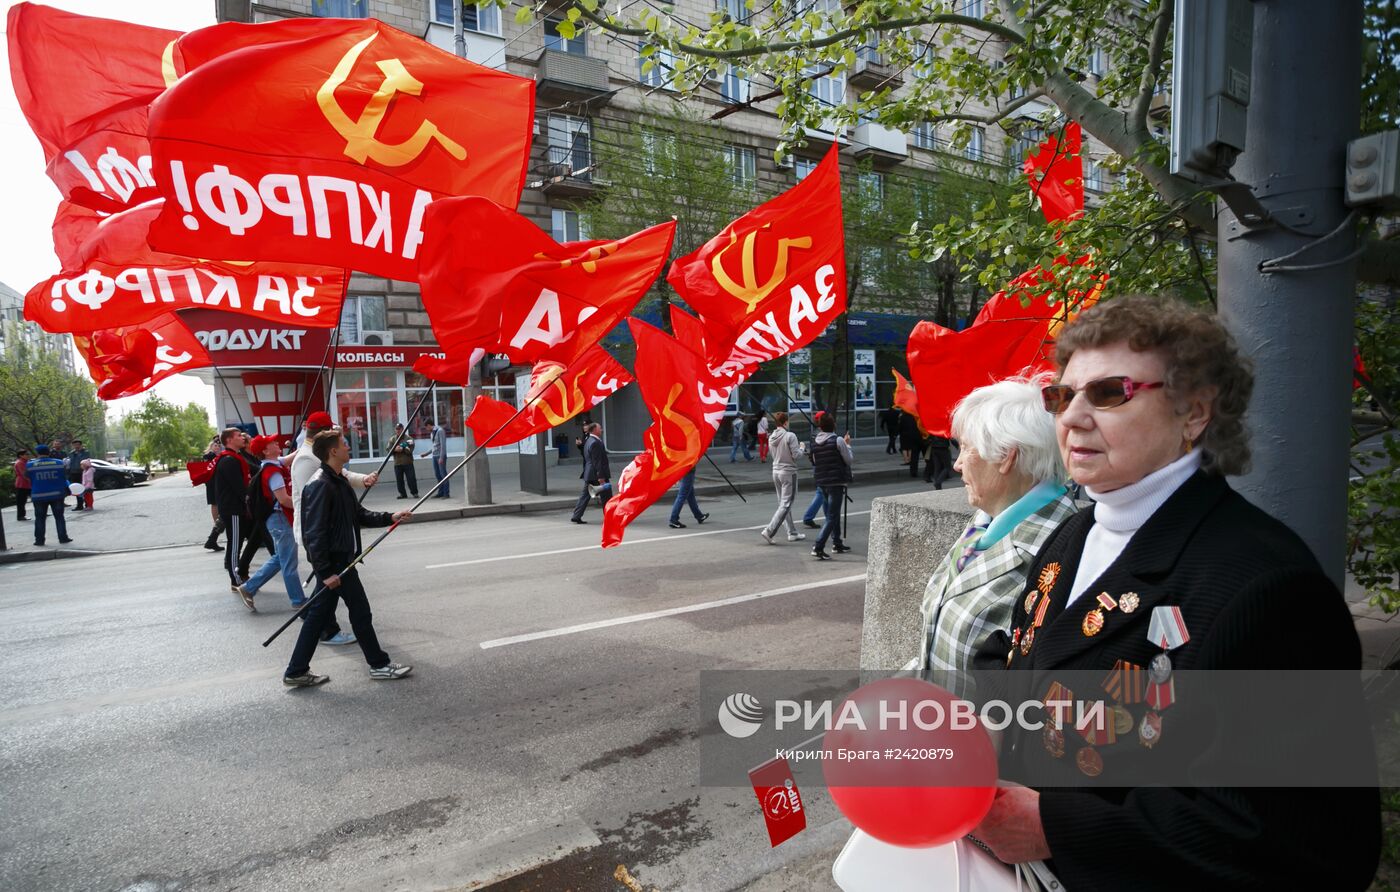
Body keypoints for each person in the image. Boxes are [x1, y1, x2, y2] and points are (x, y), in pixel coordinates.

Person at [969, 295, 1380, 887]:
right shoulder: (1075, 532)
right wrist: (974, 719)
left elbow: (1306, 841)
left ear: (1194, 412)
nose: (1072, 418)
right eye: (1061, 395)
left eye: (1109, 393)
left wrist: (1056, 827)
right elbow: (1033, 656)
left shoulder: (1264, 585)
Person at [916, 377, 1075, 694]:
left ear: (1006, 457)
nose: (958, 464)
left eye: (966, 448)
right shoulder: (987, 520)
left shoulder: (1060, 550)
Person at [282, 430, 413, 687]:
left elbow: (359, 514)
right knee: (360, 613)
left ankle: (296, 670)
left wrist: (391, 517)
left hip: (341, 562)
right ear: (332, 451)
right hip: (336, 565)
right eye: (343, 444)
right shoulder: (320, 484)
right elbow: (314, 533)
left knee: (318, 618)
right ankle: (379, 664)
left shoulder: (338, 480)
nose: (348, 448)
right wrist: (325, 571)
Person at [291, 411, 377, 647]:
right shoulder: (308, 462)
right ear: (324, 438)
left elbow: (341, 475)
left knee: (324, 597)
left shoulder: (320, 459)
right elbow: (317, 512)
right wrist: (324, 566)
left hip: (330, 537)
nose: (343, 441)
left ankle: (302, 657)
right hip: (322, 537)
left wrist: (363, 480)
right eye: (337, 437)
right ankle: (328, 632)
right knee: (338, 597)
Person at [236, 435, 306, 611]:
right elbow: (283, 499)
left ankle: (248, 588)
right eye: (273, 443)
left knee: (280, 558)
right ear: (266, 451)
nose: (277, 443)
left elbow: (292, 457)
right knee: (289, 563)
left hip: (275, 519)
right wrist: (306, 504)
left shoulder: (272, 464)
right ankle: (298, 601)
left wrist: (308, 443)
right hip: (280, 519)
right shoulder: (273, 472)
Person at [212, 427, 259, 591]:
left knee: (242, 541)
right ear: (229, 440)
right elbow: (240, 488)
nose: (243, 438)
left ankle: (241, 573)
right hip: (233, 509)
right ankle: (236, 579)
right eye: (239, 436)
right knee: (234, 544)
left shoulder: (233, 458)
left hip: (236, 509)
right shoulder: (229, 460)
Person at [809, 413, 852, 560]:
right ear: (833, 425)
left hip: (822, 482)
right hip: (836, 482)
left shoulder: (815, 441)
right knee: (832, 517)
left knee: (832, 514)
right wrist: (848, 445)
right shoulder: (838, 440)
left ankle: (837, 543)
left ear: (820, 426)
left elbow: (815, 461)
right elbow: (848, 460)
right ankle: (818, 546)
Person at [759, 411, 805, 544]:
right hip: (788, 472)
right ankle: (769, 531)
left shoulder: (771, 436)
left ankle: (792, 532)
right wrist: (802, 448)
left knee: (783, 504)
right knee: (786, 504)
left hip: (776, 472)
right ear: (785, 422)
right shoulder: (790, 435)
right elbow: (796, 455)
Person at [26, 445, 71, 546]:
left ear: (38, 453)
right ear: (49, 452)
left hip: (38, 495)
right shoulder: (59, 463)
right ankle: (63, 538)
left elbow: (27, 478)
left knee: (40, 518)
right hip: (57, 495)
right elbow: (64, 477)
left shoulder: (30, 465)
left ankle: (39, 540)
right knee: (59, 517)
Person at [570, 422, 611, 524]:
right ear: (594, 430)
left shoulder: (588, 440)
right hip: (597, 474)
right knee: (607, 497)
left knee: (585, 495)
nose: (601, 430)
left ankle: (576, 515)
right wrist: (601, 476)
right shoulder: (595, 442)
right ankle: (611, 517)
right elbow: (597, 461)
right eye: (600, 428)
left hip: (590, 473)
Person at [200, 437, 224, 552]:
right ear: (210, 447)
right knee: (215, 504)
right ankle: (216, 523)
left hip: (216, 484)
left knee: (217, 504)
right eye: (215, 445)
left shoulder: (218, 456)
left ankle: (214, 534)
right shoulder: (209, 456)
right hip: (212, 485)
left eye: (219, 446)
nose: (217, 447)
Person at [419, 418, 449, 498]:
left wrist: (441, 457)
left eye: (426, 427)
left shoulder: (440, 431)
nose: (426, 429)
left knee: (443, 474)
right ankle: (440, 492)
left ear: (429, 425)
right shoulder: (432, 433)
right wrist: (426, 454)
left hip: (440, 456)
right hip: (434, 456)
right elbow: (434, 446)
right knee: (438, 475)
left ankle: (446, 493)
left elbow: (443, 445)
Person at [388, 423, 418, 499]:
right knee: (399, 480)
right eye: (396, 429)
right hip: (397, 463)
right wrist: (395, 449)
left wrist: (403, 449)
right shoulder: (392, 439)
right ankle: (402, 494)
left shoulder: (409, 439)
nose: (398, 430)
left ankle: (414, 493)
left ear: (403, 429)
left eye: (399, 429)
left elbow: (410, 450)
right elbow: (388, 449)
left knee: (411, 479)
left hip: (408, 462)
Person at [66, 439, 90, 510]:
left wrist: (79, 453)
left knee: (85, 489)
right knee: (76, 489)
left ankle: (87, 504)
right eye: (74, 445)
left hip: (83, 473)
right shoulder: (71, 453)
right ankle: (79, 505)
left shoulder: (85, 452)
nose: (76, 446)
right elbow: (69, 463)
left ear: (80, 445)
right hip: (74, 473)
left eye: (78, 445)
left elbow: (85, 461)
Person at [13, 448, 31, 522]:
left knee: (37, 499)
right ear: (21, 455)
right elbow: (24, 474)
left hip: (28, 484)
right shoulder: (20, 463)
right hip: (22, 484)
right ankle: (21, 516)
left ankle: (42, 512)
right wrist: (32, 481)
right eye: (26, 454)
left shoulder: (27, 462)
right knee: (21, 501)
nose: (28, 455)